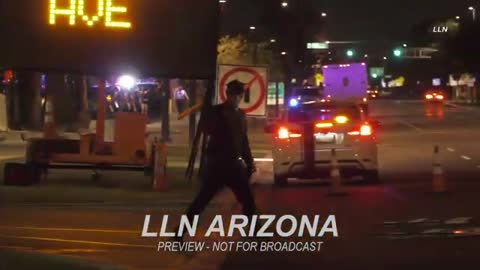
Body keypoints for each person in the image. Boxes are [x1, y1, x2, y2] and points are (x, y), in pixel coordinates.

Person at [177, 80, 257, 241]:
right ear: (231, 95)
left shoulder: (239, 115)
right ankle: (180, 231)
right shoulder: (217, 112)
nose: (235, 98)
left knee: (247, 200)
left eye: (237, 95)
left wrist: (249, 162)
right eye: (233, 95)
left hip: (231, 165)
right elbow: (207, 129)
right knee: (202, 201)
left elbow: (243, 141)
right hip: (219, 165)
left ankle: (256, 230)